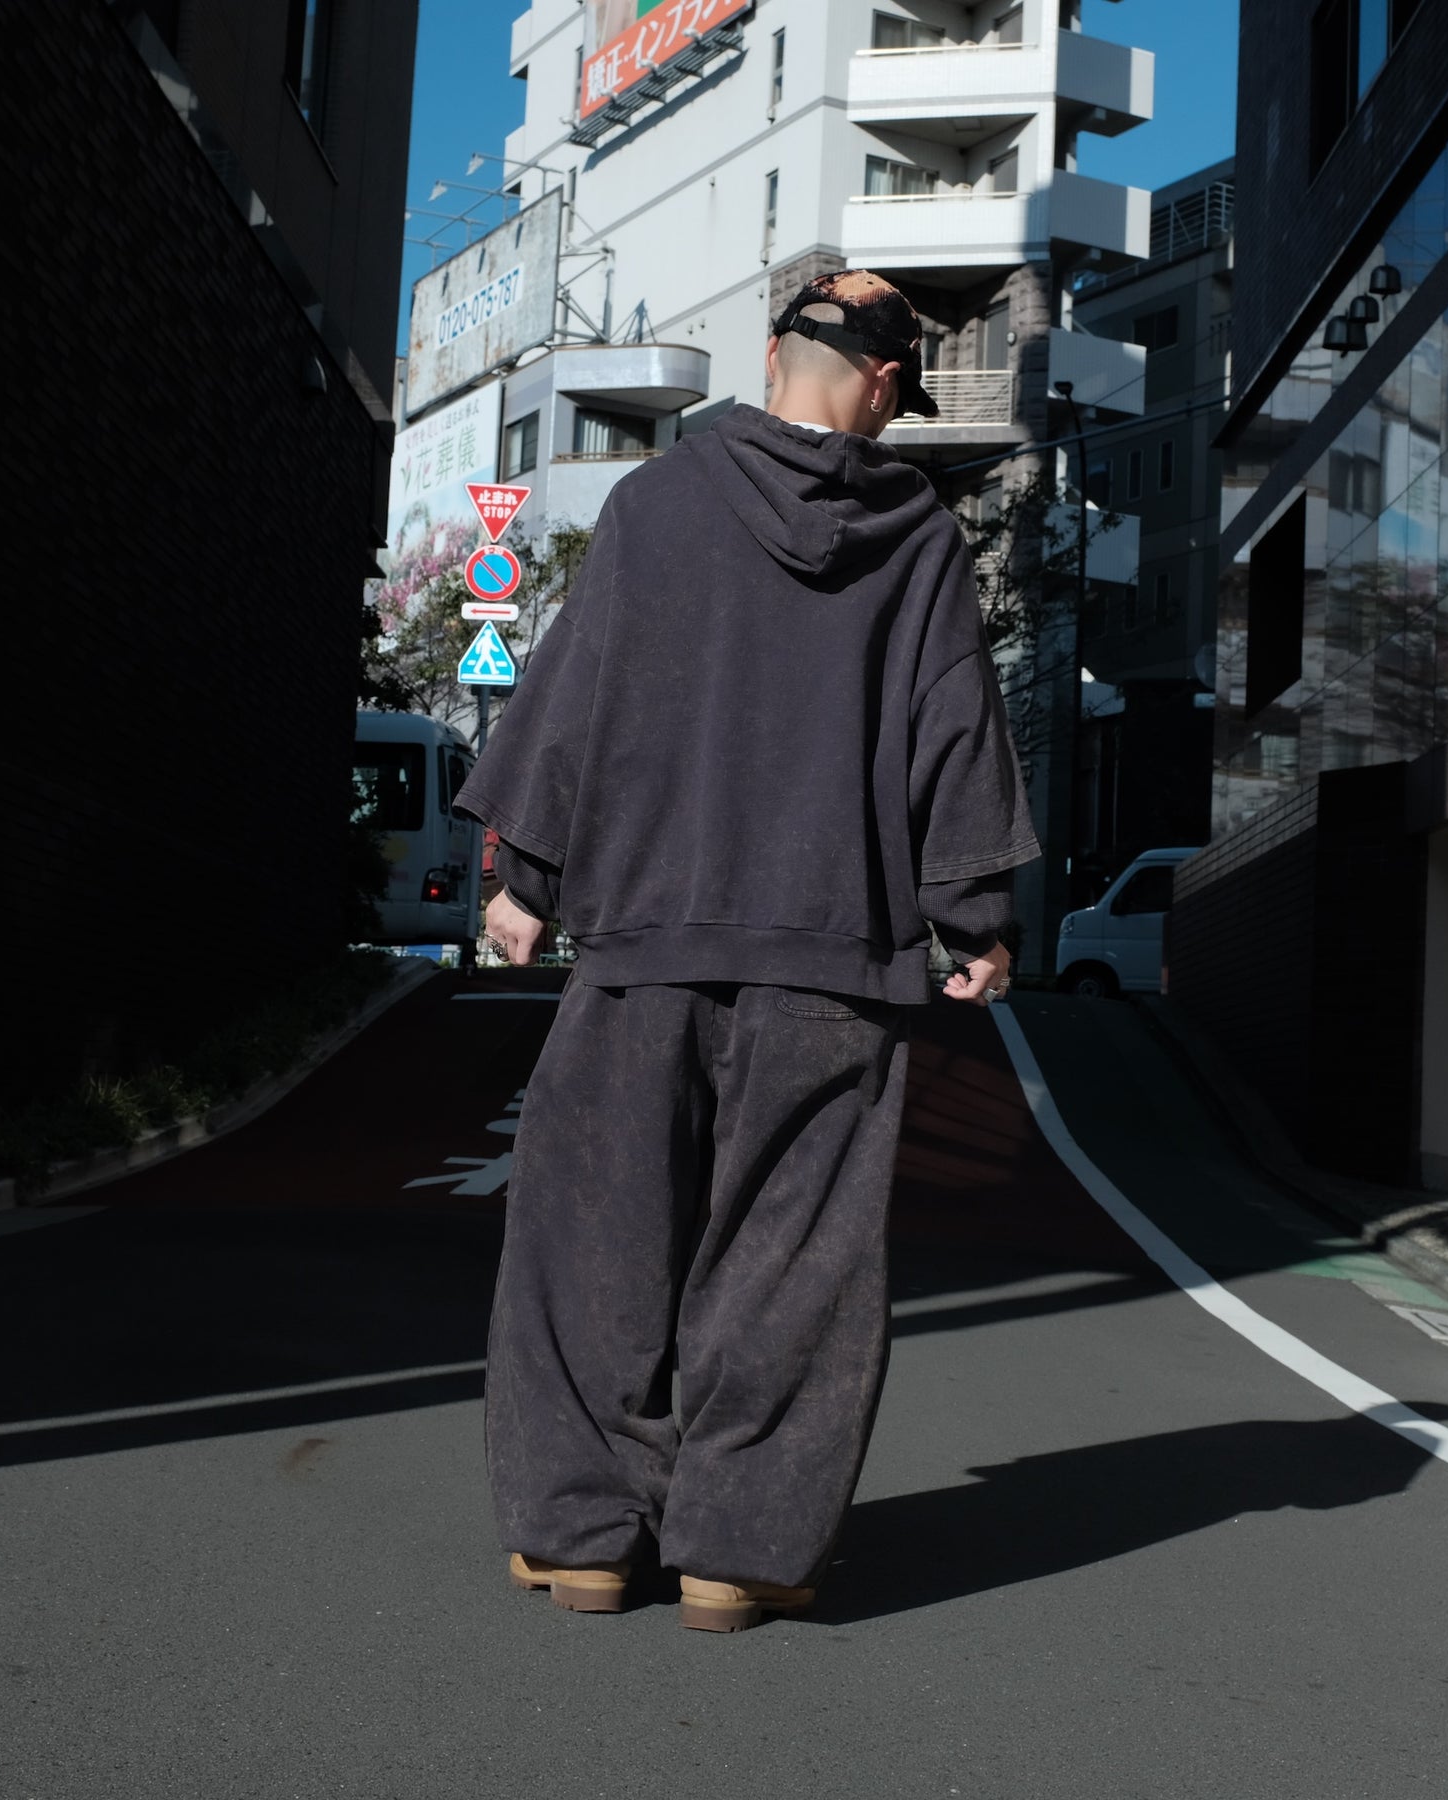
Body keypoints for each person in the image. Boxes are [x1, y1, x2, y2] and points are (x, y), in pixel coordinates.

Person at [454, 269, 1038, 1633]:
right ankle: (741, 1554)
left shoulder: (658, 506)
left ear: (775, 357)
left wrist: (526, 876)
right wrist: (974, 921)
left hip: (646, 939)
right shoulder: (919, 542)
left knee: (591, 1238)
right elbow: (951, 732)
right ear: (888, 386)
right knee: (792, 1261)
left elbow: (580, 692)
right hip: (836, 956)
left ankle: (585, 1541)